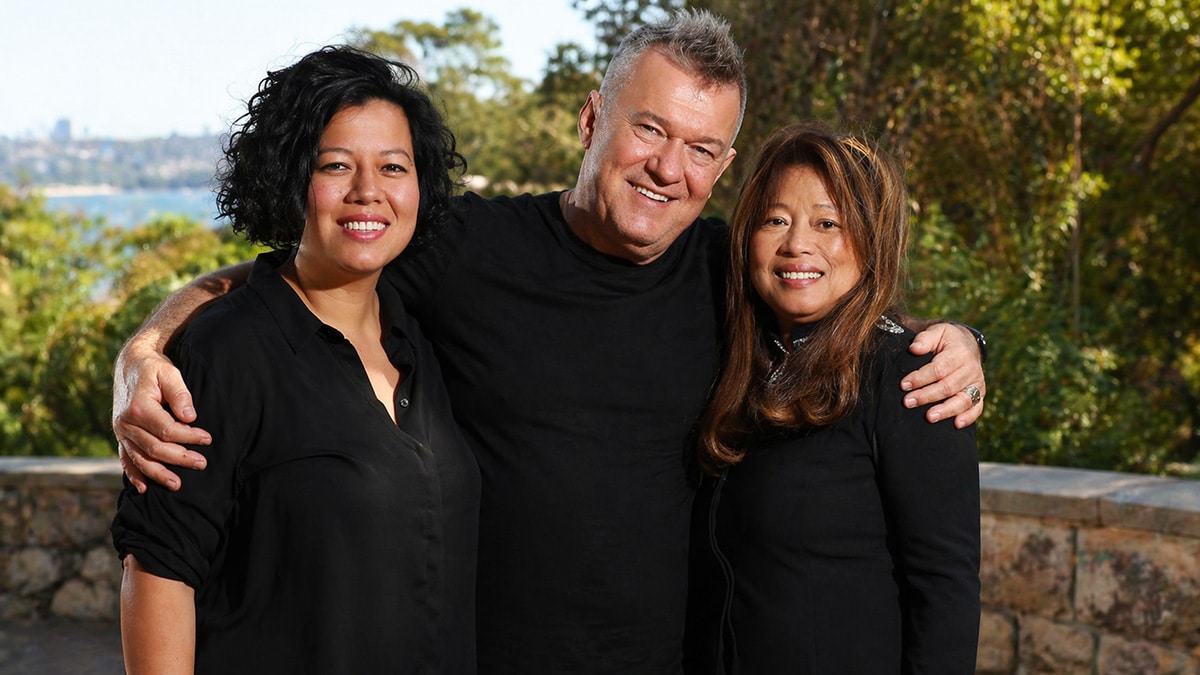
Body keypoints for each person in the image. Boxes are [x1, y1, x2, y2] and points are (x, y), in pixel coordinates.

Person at [111, 10, 987, 673]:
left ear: (723, 168)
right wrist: (143, 352)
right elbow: (293, 276)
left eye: (701, 148)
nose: (668, 168)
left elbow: (837, 300)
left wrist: (960, 340)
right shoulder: (463, 247)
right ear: (591, 120)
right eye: (648, 129)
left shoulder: (728, 272)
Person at [110, 46, 479, 674]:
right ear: (289, 180)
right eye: (335, 165)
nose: (368, 192)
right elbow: (160, 567)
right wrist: (138, 354)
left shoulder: (421, 340)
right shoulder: (228, 350)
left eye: (394, 166)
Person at [692, 121, 980, 673]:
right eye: (775, 220)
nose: (798, 243)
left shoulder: (912, 377)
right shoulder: (733, 357)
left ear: (871, 241)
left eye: (829, 223)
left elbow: (945, 591)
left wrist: (972, 342)